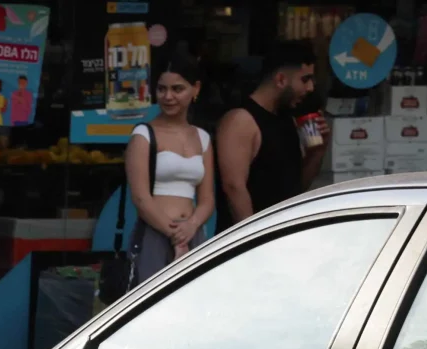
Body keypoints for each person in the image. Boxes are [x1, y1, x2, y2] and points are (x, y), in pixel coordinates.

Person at [124, 57, 214, 284]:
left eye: (177, 89)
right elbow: (141, 198)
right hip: (155, 233)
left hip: (193, 234)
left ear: (195, 89)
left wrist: (192, 226)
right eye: (162, 89)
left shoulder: (202, 138)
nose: (168, 96)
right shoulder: (143, 135)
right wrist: (176, 236)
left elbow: (207, 199)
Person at [216, 41, 324, 226]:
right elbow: (234, 187)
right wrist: (252, 235)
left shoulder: (287, 119)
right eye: (305, 80)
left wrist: (316, 152)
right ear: (281, 79)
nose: (310, 88)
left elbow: (296, 187)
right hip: (254, 238)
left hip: (282, 234)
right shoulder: (241, 120)